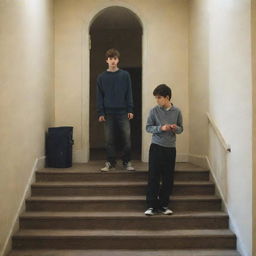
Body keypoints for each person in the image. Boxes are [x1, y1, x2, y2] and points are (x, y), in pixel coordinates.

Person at [144, 84, 183, 216]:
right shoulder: (154, 111)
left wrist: (174, 128)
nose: (157, 100)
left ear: (167, 97)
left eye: (159, 98)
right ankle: (151, 206)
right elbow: (148, 128)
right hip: (156, 147)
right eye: (156, 98)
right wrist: (161, 128)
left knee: (168, 178)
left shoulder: (177, 111)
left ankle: (164, 205)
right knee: (153, 176)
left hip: (170, 149)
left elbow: (181, 129)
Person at [96, 48, 135, 172]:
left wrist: (130, 109)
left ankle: (127, 162)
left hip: (123, 111)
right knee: (109, 139)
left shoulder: (125, 75)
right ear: (106, 60)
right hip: (108, 113)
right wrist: (101, 112)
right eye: (110, 59)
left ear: (118, 60)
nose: (113, 61)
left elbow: (129, 92)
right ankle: (110, 162)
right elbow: (99, 96)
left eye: (115, 58)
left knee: (126, 138)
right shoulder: (101, 77)